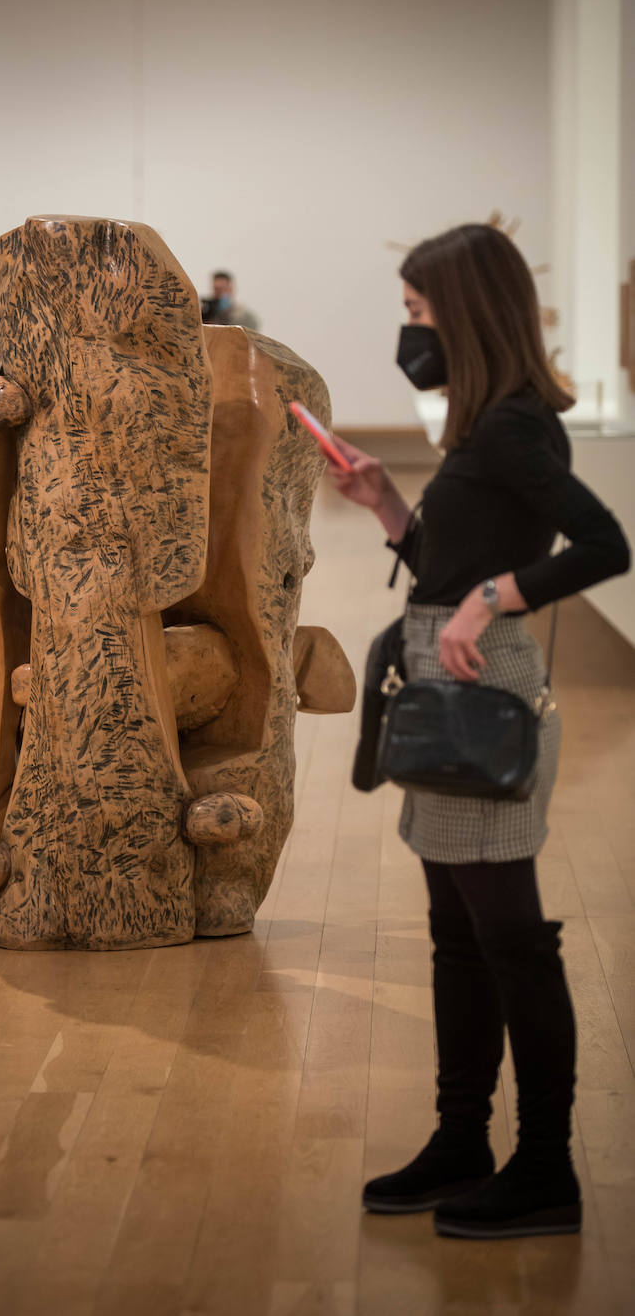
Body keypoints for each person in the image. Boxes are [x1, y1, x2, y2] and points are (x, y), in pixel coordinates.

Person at [328, 223, 630, 1240]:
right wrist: (386, 509)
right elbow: (448, 570)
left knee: (509, 939)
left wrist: (495, 596)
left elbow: (604, 544)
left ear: (462, 313)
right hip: (445, 686)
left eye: (417, 313)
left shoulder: (510, 426)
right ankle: (463, 1140)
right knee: (459, 939)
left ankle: (544, 1167)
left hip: (479, 693)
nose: (409, 333)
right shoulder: (483, 427)